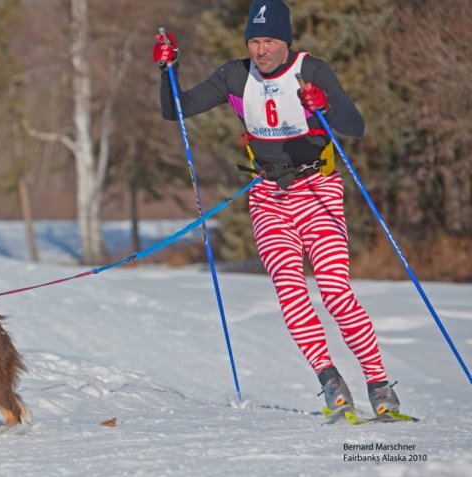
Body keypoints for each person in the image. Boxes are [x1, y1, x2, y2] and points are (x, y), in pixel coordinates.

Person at [153, 0, 401, 416]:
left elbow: (354, 126)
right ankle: (330, 380)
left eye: (268, 40)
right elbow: (174, 108)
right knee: (289, 290)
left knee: (335, 291)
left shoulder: (311, 70)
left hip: (318, 190)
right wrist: (168, 70)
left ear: (285, 41)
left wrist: (323, 104)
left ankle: (379, 384)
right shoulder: (235, 75)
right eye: (254, 40)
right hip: (268, 198)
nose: (260, 50)